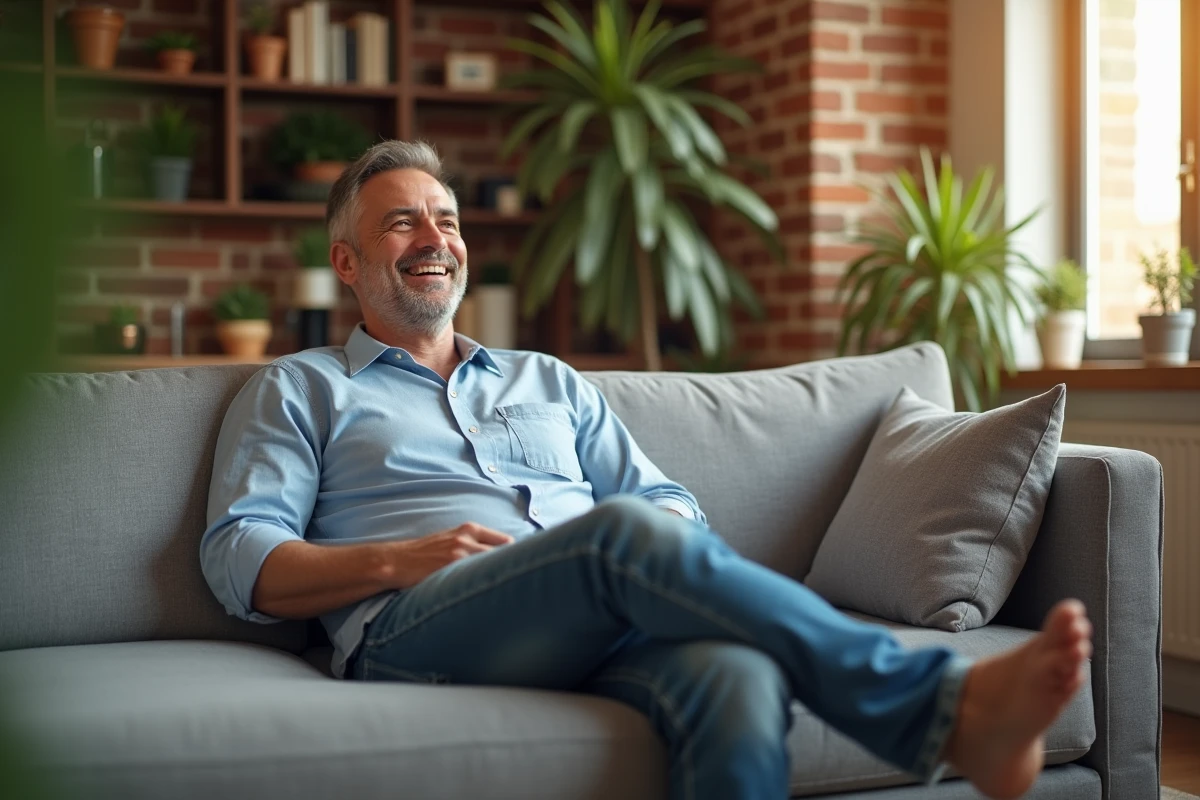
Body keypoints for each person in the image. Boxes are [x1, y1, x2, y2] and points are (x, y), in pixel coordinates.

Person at [200, 140, 1092, 800]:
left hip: (597, 616)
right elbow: (241, 556)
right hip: (415, 628)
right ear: (348, 263)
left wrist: (652, 556)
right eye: (402, 222)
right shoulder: (300, 387)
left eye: (447, 219)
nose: (434, 237)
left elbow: (665, 502)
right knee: (617, 538)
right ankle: (941, 712)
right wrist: (400, 558)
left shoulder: (546, 379)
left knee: (737, 678)